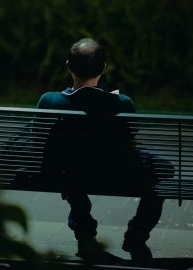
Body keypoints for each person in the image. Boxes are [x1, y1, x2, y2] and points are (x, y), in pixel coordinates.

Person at [37, 38, 171, 261]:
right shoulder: (122, 103)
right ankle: (136, 237)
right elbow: (131, 138)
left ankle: (85, 236)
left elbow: (38, 139)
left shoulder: (49, 101)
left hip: (67, 174)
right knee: (160, 177)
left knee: (70, 166)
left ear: (68, 65)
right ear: (103, 68)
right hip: (115, 173)